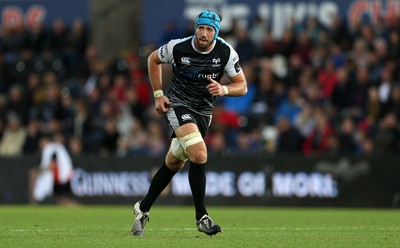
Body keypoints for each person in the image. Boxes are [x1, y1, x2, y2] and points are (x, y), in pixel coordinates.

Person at [131, 10, 247, 236]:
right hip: (177, 105)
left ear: (216, 33)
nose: (204, 34)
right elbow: (153, 59)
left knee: (174, 163)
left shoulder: (226, 52)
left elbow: (242, 85)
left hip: (203, 112)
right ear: (195, 28)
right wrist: (158, 94)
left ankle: (142, 208)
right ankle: (202, 216)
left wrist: (223, 89)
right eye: (201, 28)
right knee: (200, 153)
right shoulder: (177, 47)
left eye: (209, 30)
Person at [29, 133, 76, 205]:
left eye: (43, 141)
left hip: (59, 179)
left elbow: (53, 164)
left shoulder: (51, 148)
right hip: (61, 177)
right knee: (62, 201)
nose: (41, 143)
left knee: (62, 201)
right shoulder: (53, 148)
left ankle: (32, 205)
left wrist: (39, 171)